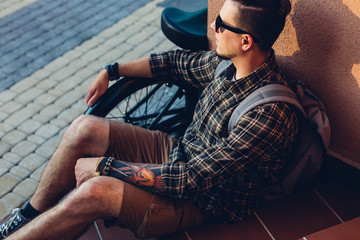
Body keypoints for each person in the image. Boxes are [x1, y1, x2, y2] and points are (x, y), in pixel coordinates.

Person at [0, 0, 297, 239]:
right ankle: (28, 215)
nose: (212, 26)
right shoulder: (228, 67)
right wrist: (112, 70)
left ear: (245, 41)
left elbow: (191, 179)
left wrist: (106, 166)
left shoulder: (268, 114)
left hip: (201, 201)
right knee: (83, 128)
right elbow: (173, 63)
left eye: (220, 24)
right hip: (179, 154)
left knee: (95, 190)